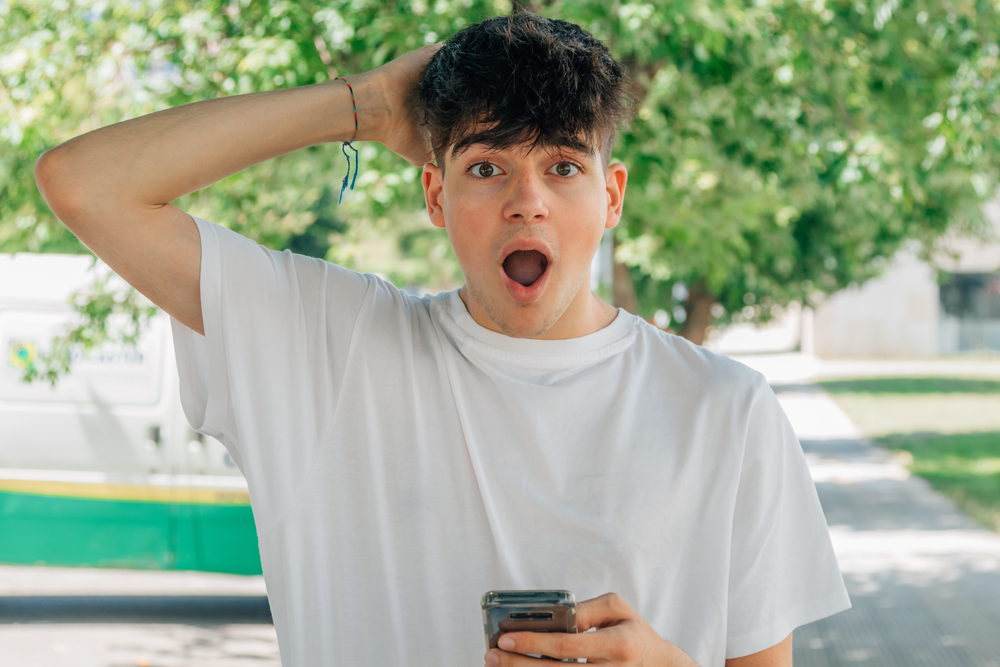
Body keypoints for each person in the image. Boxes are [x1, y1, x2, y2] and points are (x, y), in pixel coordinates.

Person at [35, 11, 851, 667]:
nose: (526, 202)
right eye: (487, 167)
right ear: (435, 193)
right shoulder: (327, 344)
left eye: (564, 167)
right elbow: (85, 184)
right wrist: (364, 105)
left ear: (613, 197)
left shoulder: (726, 410)